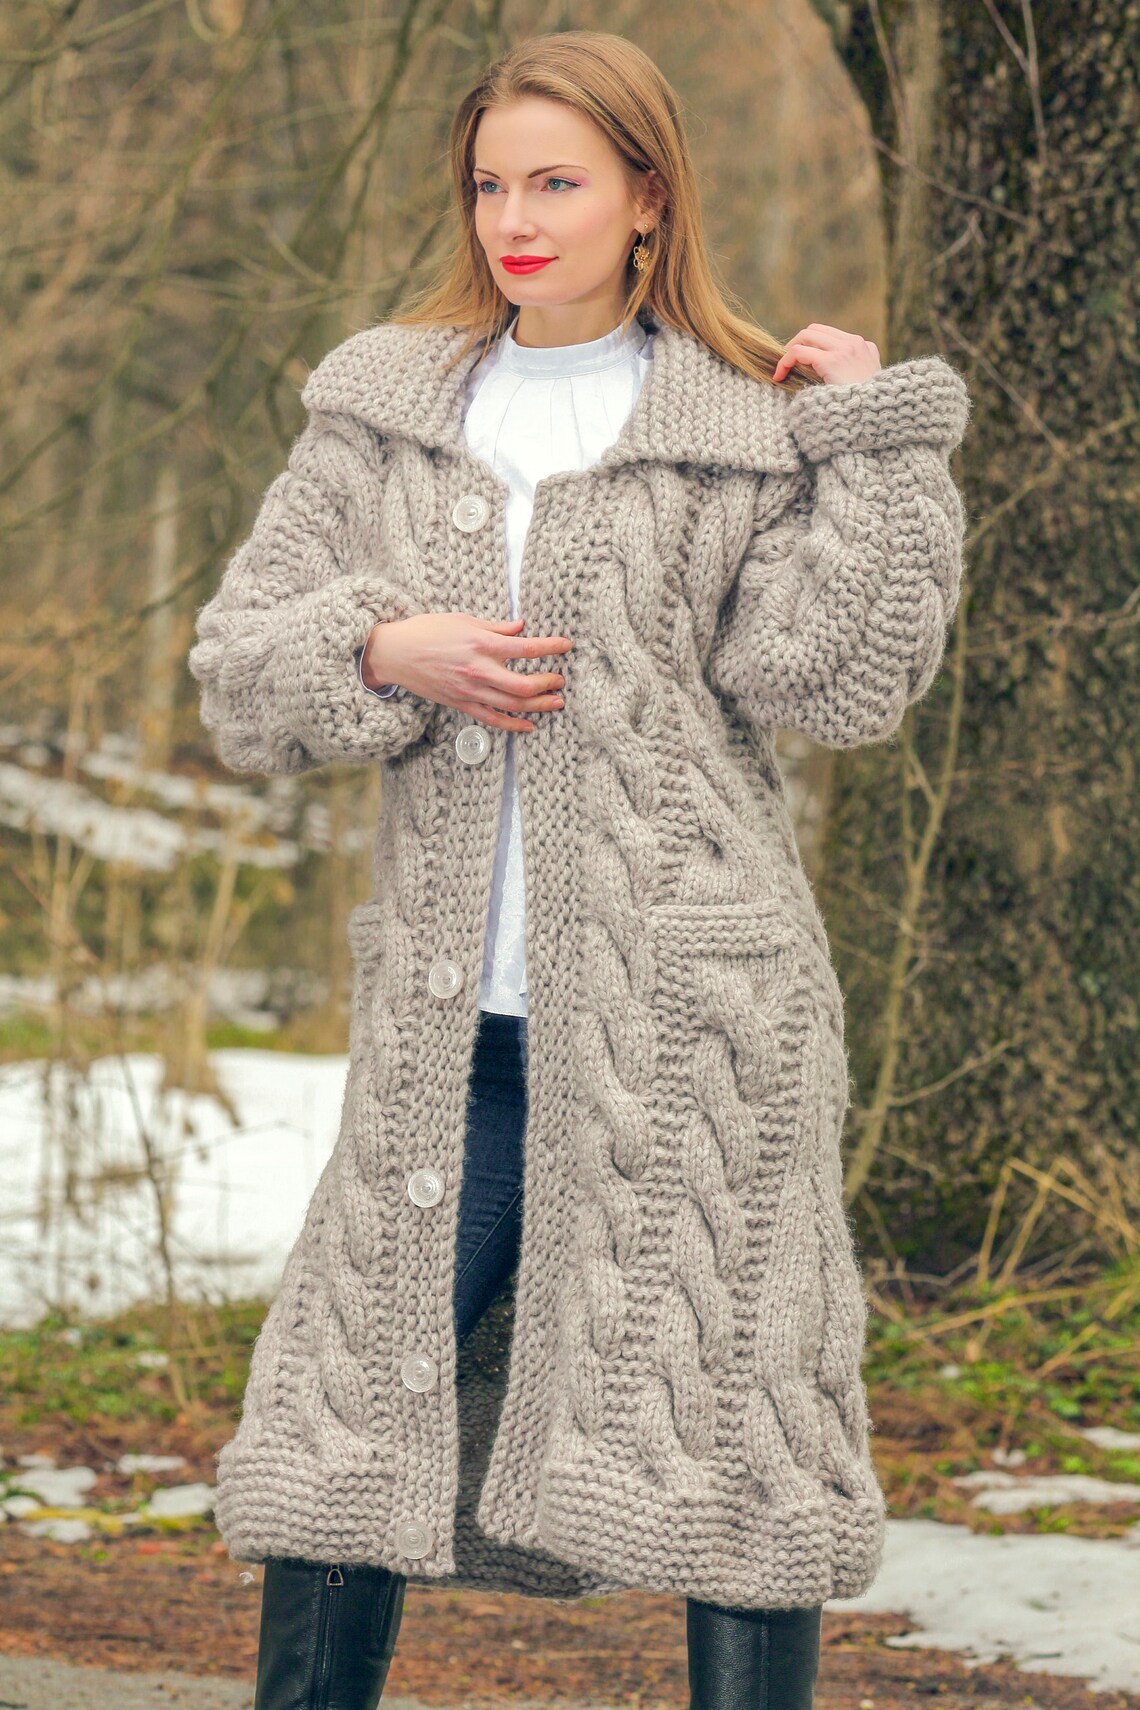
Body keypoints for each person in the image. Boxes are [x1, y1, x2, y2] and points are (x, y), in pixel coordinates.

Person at [188, 28, 971, 1710]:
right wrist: (385, 644)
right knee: (338, 1428)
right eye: (490, 185)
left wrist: (877, 441)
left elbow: (834, 683)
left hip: (698, 1032)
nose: (515, 221)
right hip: (451, 1043)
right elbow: (241, 670)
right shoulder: (387, 407)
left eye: (556, 182)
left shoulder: (744, 420)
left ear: (648, 197)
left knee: (736, 1438)